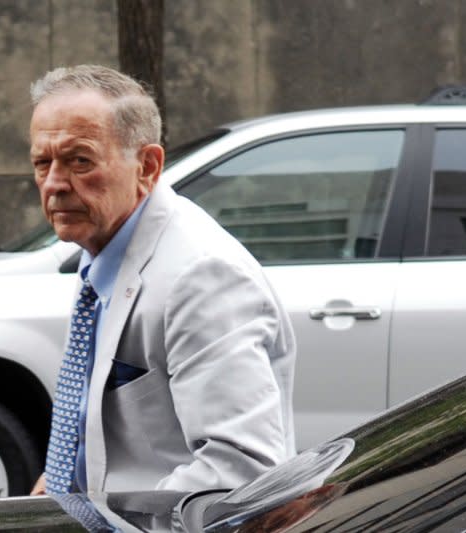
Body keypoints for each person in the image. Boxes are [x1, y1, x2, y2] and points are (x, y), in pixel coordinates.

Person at [28, 64, 295, 496]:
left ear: (147, 166)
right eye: (43, 163)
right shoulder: (105, 242)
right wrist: (63, 487)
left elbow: (242, 471)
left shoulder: (202, 276)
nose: (55, 184)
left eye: (80, 161)